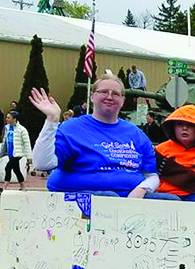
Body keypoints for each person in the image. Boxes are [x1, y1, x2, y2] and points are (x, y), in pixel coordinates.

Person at [30, 74, 161, 198]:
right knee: (109, 197)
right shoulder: (71, 128)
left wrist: (142, 190)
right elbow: (42, 164)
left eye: (115, 94)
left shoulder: (137, 134)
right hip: (80, 197)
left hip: (128, 199)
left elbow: (151, 176)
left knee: (172, 200)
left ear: (122, 100)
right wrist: (52, 120)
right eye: (104, 92)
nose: (109, 97)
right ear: (92, 97)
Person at [155, 105, 195, 201]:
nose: (184, 128)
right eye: (180, 124)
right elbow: (148, 175)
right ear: (173, 127)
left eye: (190, 125)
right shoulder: (160, 150)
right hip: (166, 197)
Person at [0, 111, 32, 192]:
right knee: (16, 170)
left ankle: (4, 187)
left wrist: (29, 156)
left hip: (17, 153)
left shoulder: (22, 130)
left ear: (14, 119)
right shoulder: (7, 128)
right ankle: (23, 186)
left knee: (8, 167)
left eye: (9, 118)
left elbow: (26, 143)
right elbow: (5, 140)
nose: (7, 119)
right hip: (10, 152)